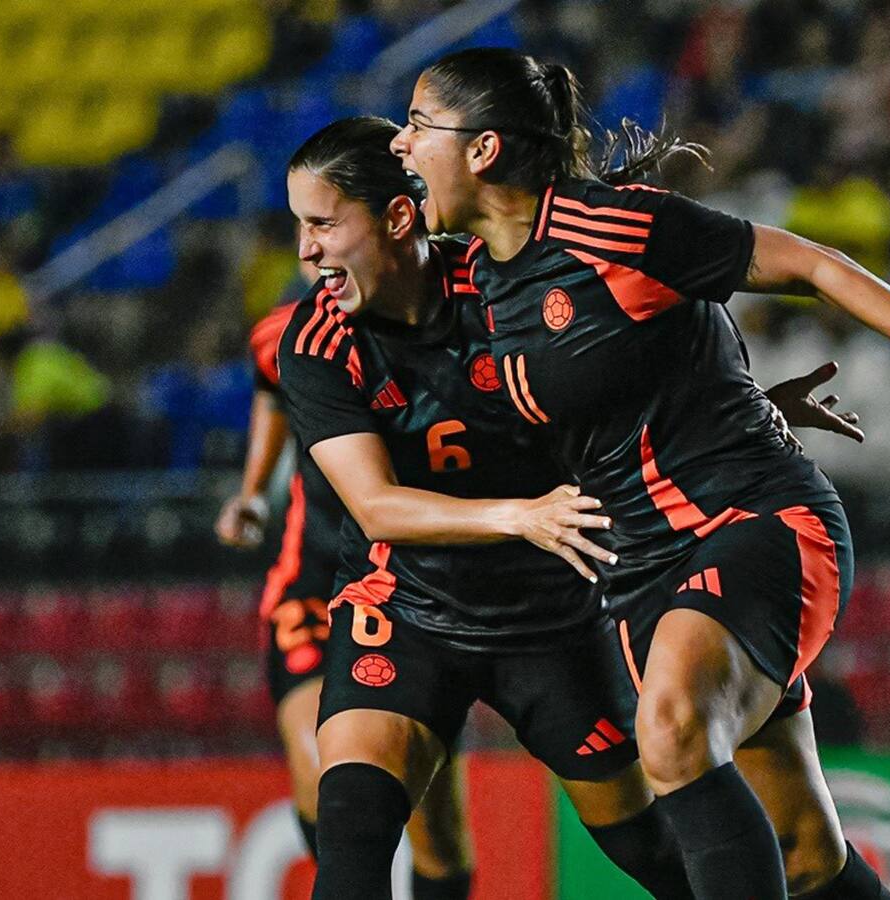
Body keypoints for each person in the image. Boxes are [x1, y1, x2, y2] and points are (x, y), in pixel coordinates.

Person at [391, 46, 890, 900]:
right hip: (638, 575)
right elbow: (619, 384)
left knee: (673, 728)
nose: (401, 143)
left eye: (418, 124)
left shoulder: (611, 228)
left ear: (483, 148)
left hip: (753, 523)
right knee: (804, 853)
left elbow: (808, 263)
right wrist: (740, 394)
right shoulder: (478, 285)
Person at [278, 116, 695, 900]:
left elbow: (635, 371)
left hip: (552, 619)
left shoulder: (507, 289)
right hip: (406, 611)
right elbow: (376, 508)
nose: (306, 250)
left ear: (397, 217)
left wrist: (744, 407)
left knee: (655, 854)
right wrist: (519, 516)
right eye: (300, 226)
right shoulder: (318, 343)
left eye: (323, 224)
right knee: (352, 846)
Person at [214, 281, 475, 898]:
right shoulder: (294, 332)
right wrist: (253, 490)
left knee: (436, 832)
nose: (316, 248)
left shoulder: (467, 325)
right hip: (314, 581)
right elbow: (270, 382)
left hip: (416, 589)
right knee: (325, 767)